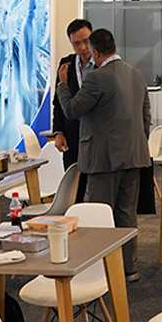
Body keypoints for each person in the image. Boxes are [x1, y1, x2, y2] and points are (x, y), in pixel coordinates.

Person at [56, 28, 151, 280]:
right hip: (134, 155)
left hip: (104, 160)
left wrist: (62, 85)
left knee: (100, 215)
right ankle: (128, 269)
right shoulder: (135, 73)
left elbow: (72, 110)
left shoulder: (96, 78)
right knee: (126, 214)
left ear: (96, 52)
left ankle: (99, 272)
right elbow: (146, 116)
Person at [52, 18, 94, 200]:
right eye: (77, 43)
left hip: (97, 136)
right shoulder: (66, 64)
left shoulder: (103, 64)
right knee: (74, 191)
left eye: (86, 41)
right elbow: (58, 102)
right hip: (72, 135)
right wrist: (58, 132)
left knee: (97, 190)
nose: (83, 47)